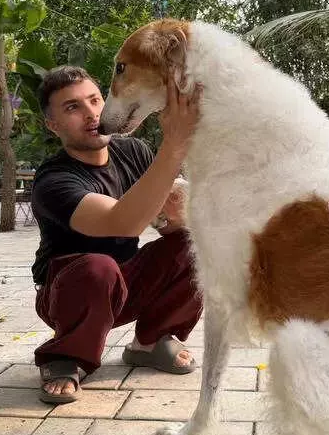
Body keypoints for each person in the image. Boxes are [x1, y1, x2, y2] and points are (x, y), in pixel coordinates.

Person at [30, 65, 203, 404]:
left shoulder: (134, 152)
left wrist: (183, 216)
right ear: (53, 125)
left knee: (199, 245)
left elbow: (163, 220)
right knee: (98, 266)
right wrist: (175, 144)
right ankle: (65, 356)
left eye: (95, 100)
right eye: (72, 107)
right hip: (68, 293)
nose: (92, 113)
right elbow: (122, 222)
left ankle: (152, 341)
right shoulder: (54, 181)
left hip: (126, 283)